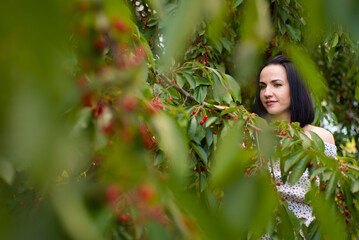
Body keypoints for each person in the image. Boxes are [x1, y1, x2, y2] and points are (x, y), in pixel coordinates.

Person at [253, 55, 337, 227]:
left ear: (295, 88)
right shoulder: (252, 135)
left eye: (277, 84)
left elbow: (329, 197)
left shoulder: (321, 138)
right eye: (263, 86)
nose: (267, 93)